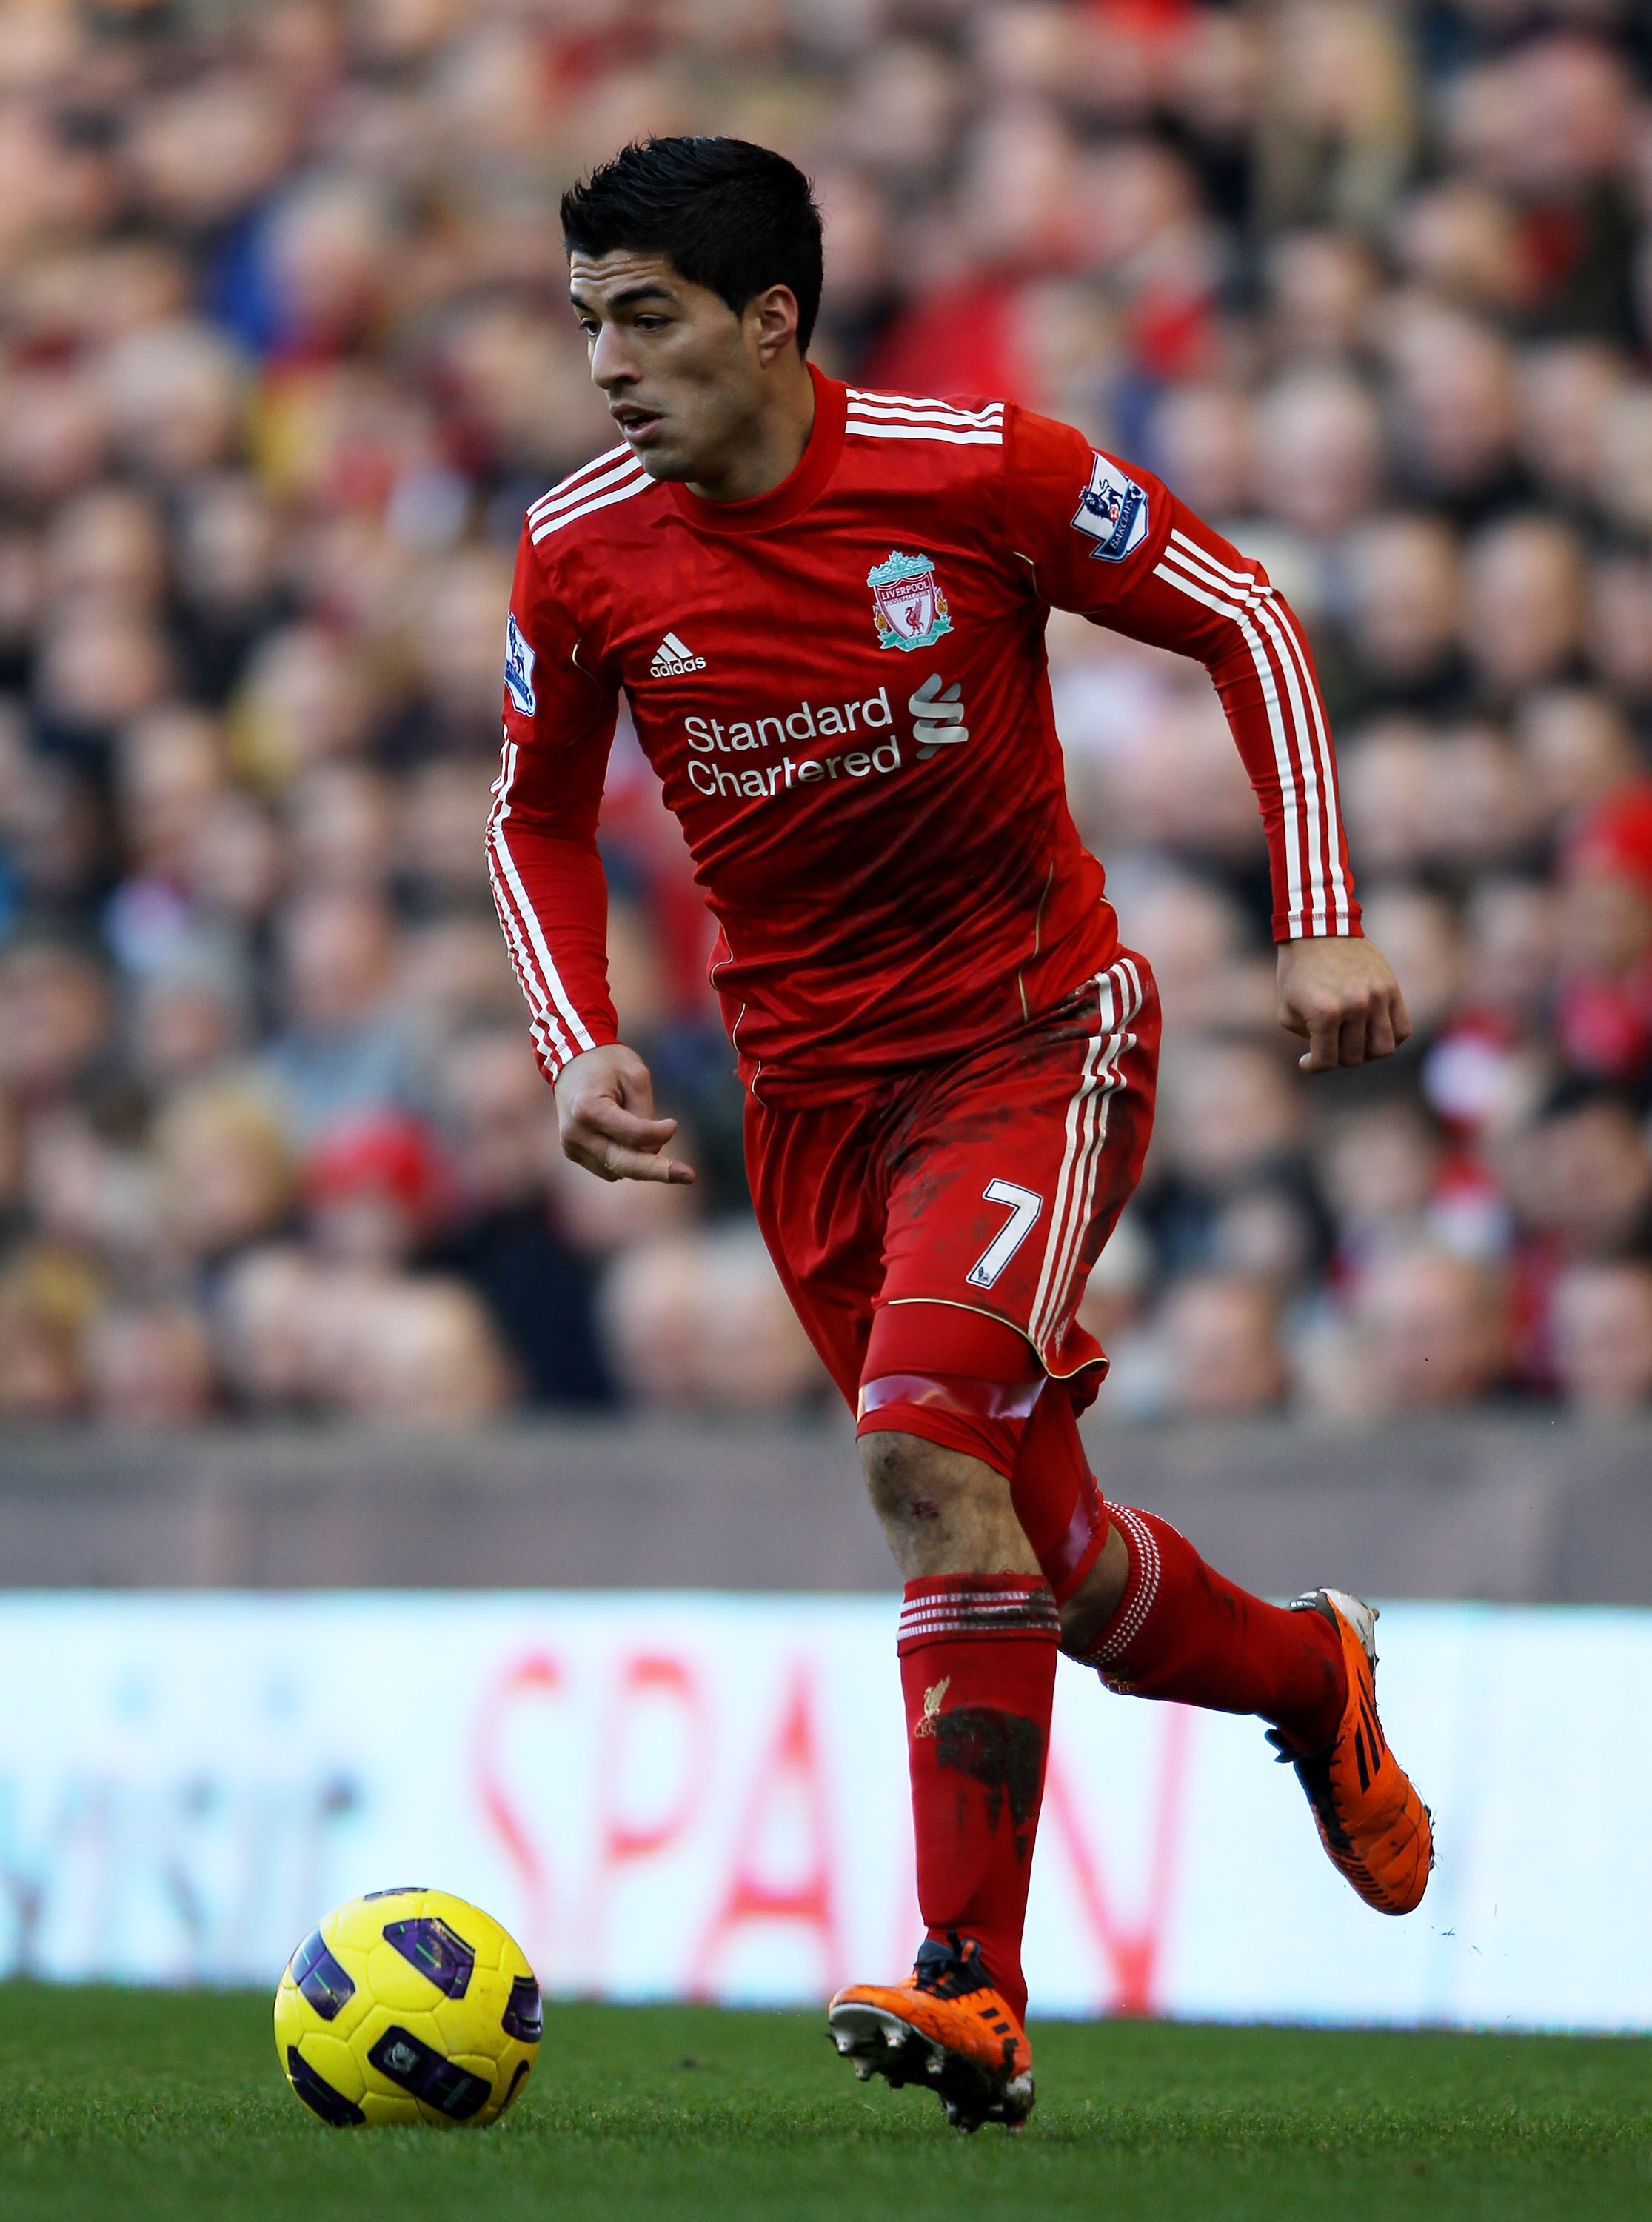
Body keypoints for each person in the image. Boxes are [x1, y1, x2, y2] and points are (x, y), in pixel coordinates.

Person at [489, 136, 1430, 2132]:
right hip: (810, 1112)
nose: (606, 366)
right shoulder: (579, 553)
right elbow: (536, 814)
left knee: (924, 1457)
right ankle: (1307, 1680)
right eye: (587, 323)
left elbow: (1243, 616)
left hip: (1030, 1044)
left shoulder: (974, 468)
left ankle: (970, 1989)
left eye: (643, 319)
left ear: (770, 320)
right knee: (1046, 1562)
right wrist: (575, 1041)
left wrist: (1322, 911)